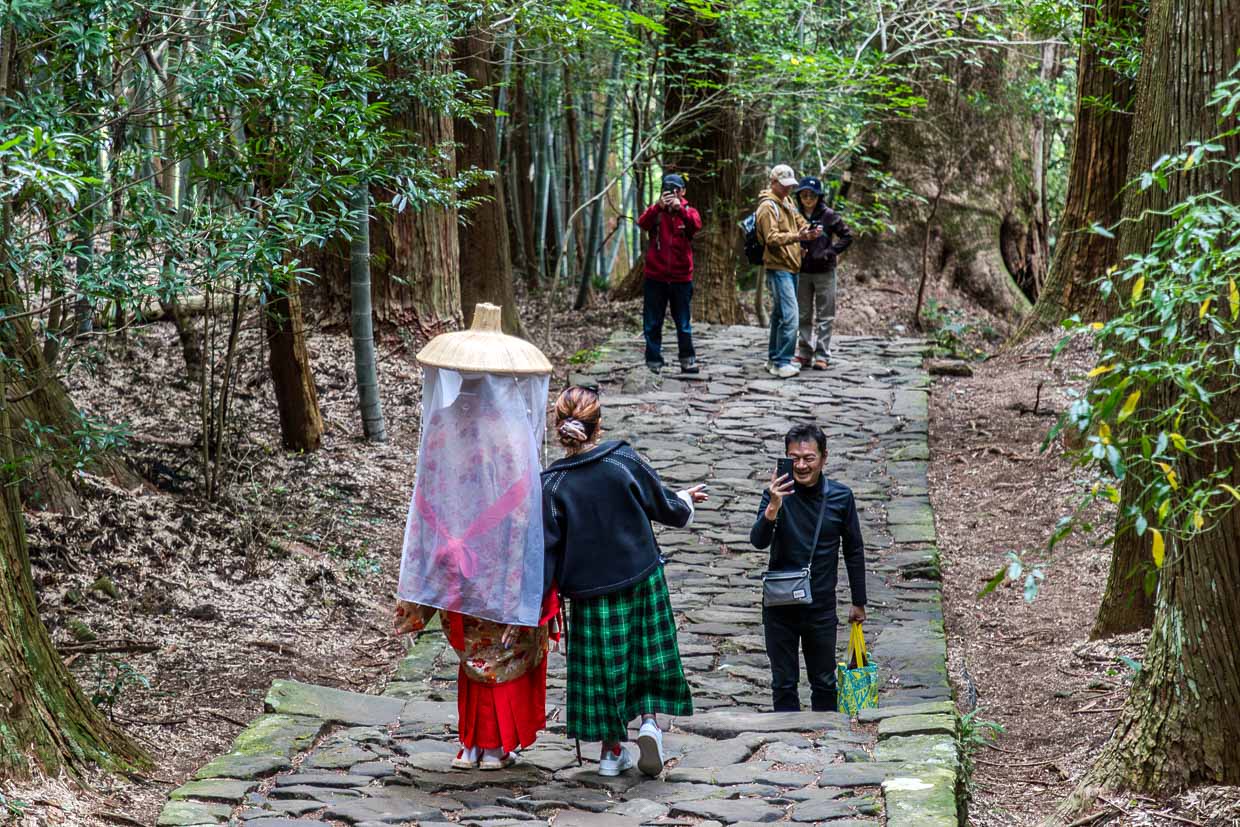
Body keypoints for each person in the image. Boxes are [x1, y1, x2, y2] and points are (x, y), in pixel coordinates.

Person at [394, 368, 557, 771]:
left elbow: (427, 490)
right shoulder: (511, 432)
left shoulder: (440, 425)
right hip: (498, 555)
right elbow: (521, 505)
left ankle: (469, 744)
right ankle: (493, 743)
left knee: (473, 648)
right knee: (501, 644)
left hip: (452, 555)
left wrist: (438, 546)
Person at [541, 386, 708, 777]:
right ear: (598, 425)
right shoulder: (621, 459)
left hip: (589, 596)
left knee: (603, 669)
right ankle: (649, 724)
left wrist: (543, 606)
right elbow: (664, 505)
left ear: (558, 428)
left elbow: (546, 548)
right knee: (645, 654)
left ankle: (611, 752)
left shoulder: (551, 484)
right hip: (641, 578)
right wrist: (683, 498)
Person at [750, 423, 867, 712]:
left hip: (821, 605)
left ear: (823, 458)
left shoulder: (840, 497)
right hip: (779, 604)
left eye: (808, 458)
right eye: (794, 458)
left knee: (825, 682)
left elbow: (854, 548)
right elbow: (758, 541)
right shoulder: (775, 494)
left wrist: (858, 601)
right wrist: (773, 507)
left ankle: (827, 744)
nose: (801, 465)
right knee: (783, 683)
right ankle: (784, 747)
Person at [755, 164, 823, 379]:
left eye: (789, 186)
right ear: (773, 182)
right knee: (791, 316)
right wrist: (798, 237)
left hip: (792, 265)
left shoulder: (788, 202)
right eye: (783, 186)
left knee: (779, 315)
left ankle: (774, 359)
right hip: (778, 266)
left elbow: (798, 222)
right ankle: (783, 361)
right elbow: (771, 238)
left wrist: (809, 229)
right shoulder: (767, 207)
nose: (787, 190)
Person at [637, 173, 703, 375]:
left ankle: (687, 360)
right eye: (667, 190)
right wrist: (659, 206)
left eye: (675, 190)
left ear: (682, 191)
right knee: (652, 322)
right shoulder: (656, 212)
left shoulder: (688, 211)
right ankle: (653, 361)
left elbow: (696, 226)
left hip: (681, 277)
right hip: (655, 276)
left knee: (683, 322)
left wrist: (680, 209)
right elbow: (642, 223)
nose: (671, 194)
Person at [793, 177, 852, 370]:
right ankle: (804, 353)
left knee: (825, 314)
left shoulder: (829, 215)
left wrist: (830, 252)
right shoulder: (794, 215)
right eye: (804, 195)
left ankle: (822, 355)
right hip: (802, 270)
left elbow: (847, 236)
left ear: (819, 196)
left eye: (812, 195)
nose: (808, 198)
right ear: (799, 196)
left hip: (825, 271)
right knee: (803, 314)